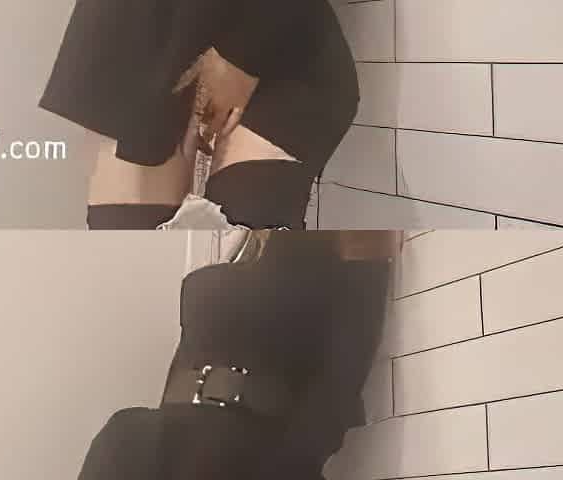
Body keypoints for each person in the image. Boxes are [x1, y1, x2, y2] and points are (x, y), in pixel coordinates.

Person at [75, 231, 394, 479]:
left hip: (250, 447)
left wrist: (296, 461)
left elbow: (345, 370)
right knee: (126, 431)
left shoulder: (340, 247)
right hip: (157, 440)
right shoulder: (241, 246)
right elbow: (186, 356)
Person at [39, 0, 360, 230]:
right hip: (144, 39)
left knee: (249, 219)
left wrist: (243, 54)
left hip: (274, 37)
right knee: (125, 235)